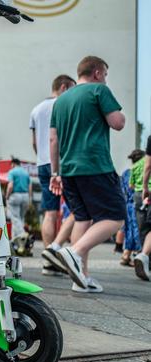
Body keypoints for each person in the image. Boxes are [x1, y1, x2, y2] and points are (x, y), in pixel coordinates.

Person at [50, 56, 126, 293]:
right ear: (96, 73)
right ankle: (74, 252)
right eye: (104, 73)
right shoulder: (98, 91)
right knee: (115, 217)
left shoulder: (60, 101)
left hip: (69, 169)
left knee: (82, 218)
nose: (105, 78)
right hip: (95, 164)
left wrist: (56, 172)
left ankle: (80, 278)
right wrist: (119, 114)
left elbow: (53, 139)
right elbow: (118, 123)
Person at [30, 74, 77, 276]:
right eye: (73, 89)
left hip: (42, 163)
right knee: (79, 210)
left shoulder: (36, 109)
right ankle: (73, 255)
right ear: (64, 87)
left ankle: (49, 260)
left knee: (50, 212)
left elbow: (34, 142)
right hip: (63, 162)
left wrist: (42, 157)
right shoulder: (65, 104)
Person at [116, 150, 143, 266]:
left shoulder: (126, 172)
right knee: (137, 230)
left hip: (126, 206)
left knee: (129, 231)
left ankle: (126, 255)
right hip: (136, 204)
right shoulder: (140, 171)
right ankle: (138, 255)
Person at [133, 138, 151, 281]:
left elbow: (148, 166)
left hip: (139, 194)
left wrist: (145, 187)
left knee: (144, 226)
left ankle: (143, 253)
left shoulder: (137, 165)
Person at [5, 158, 32, 238]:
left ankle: (22, 235)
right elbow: (30, 187)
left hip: (15, 196)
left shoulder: (12, 172)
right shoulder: (26, 173)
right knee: (21, 218)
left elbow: (10, 186)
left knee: (15, 218)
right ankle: (15, 239)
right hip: (26, 196)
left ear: (13, 164)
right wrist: (29, 199)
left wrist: (7, 197)